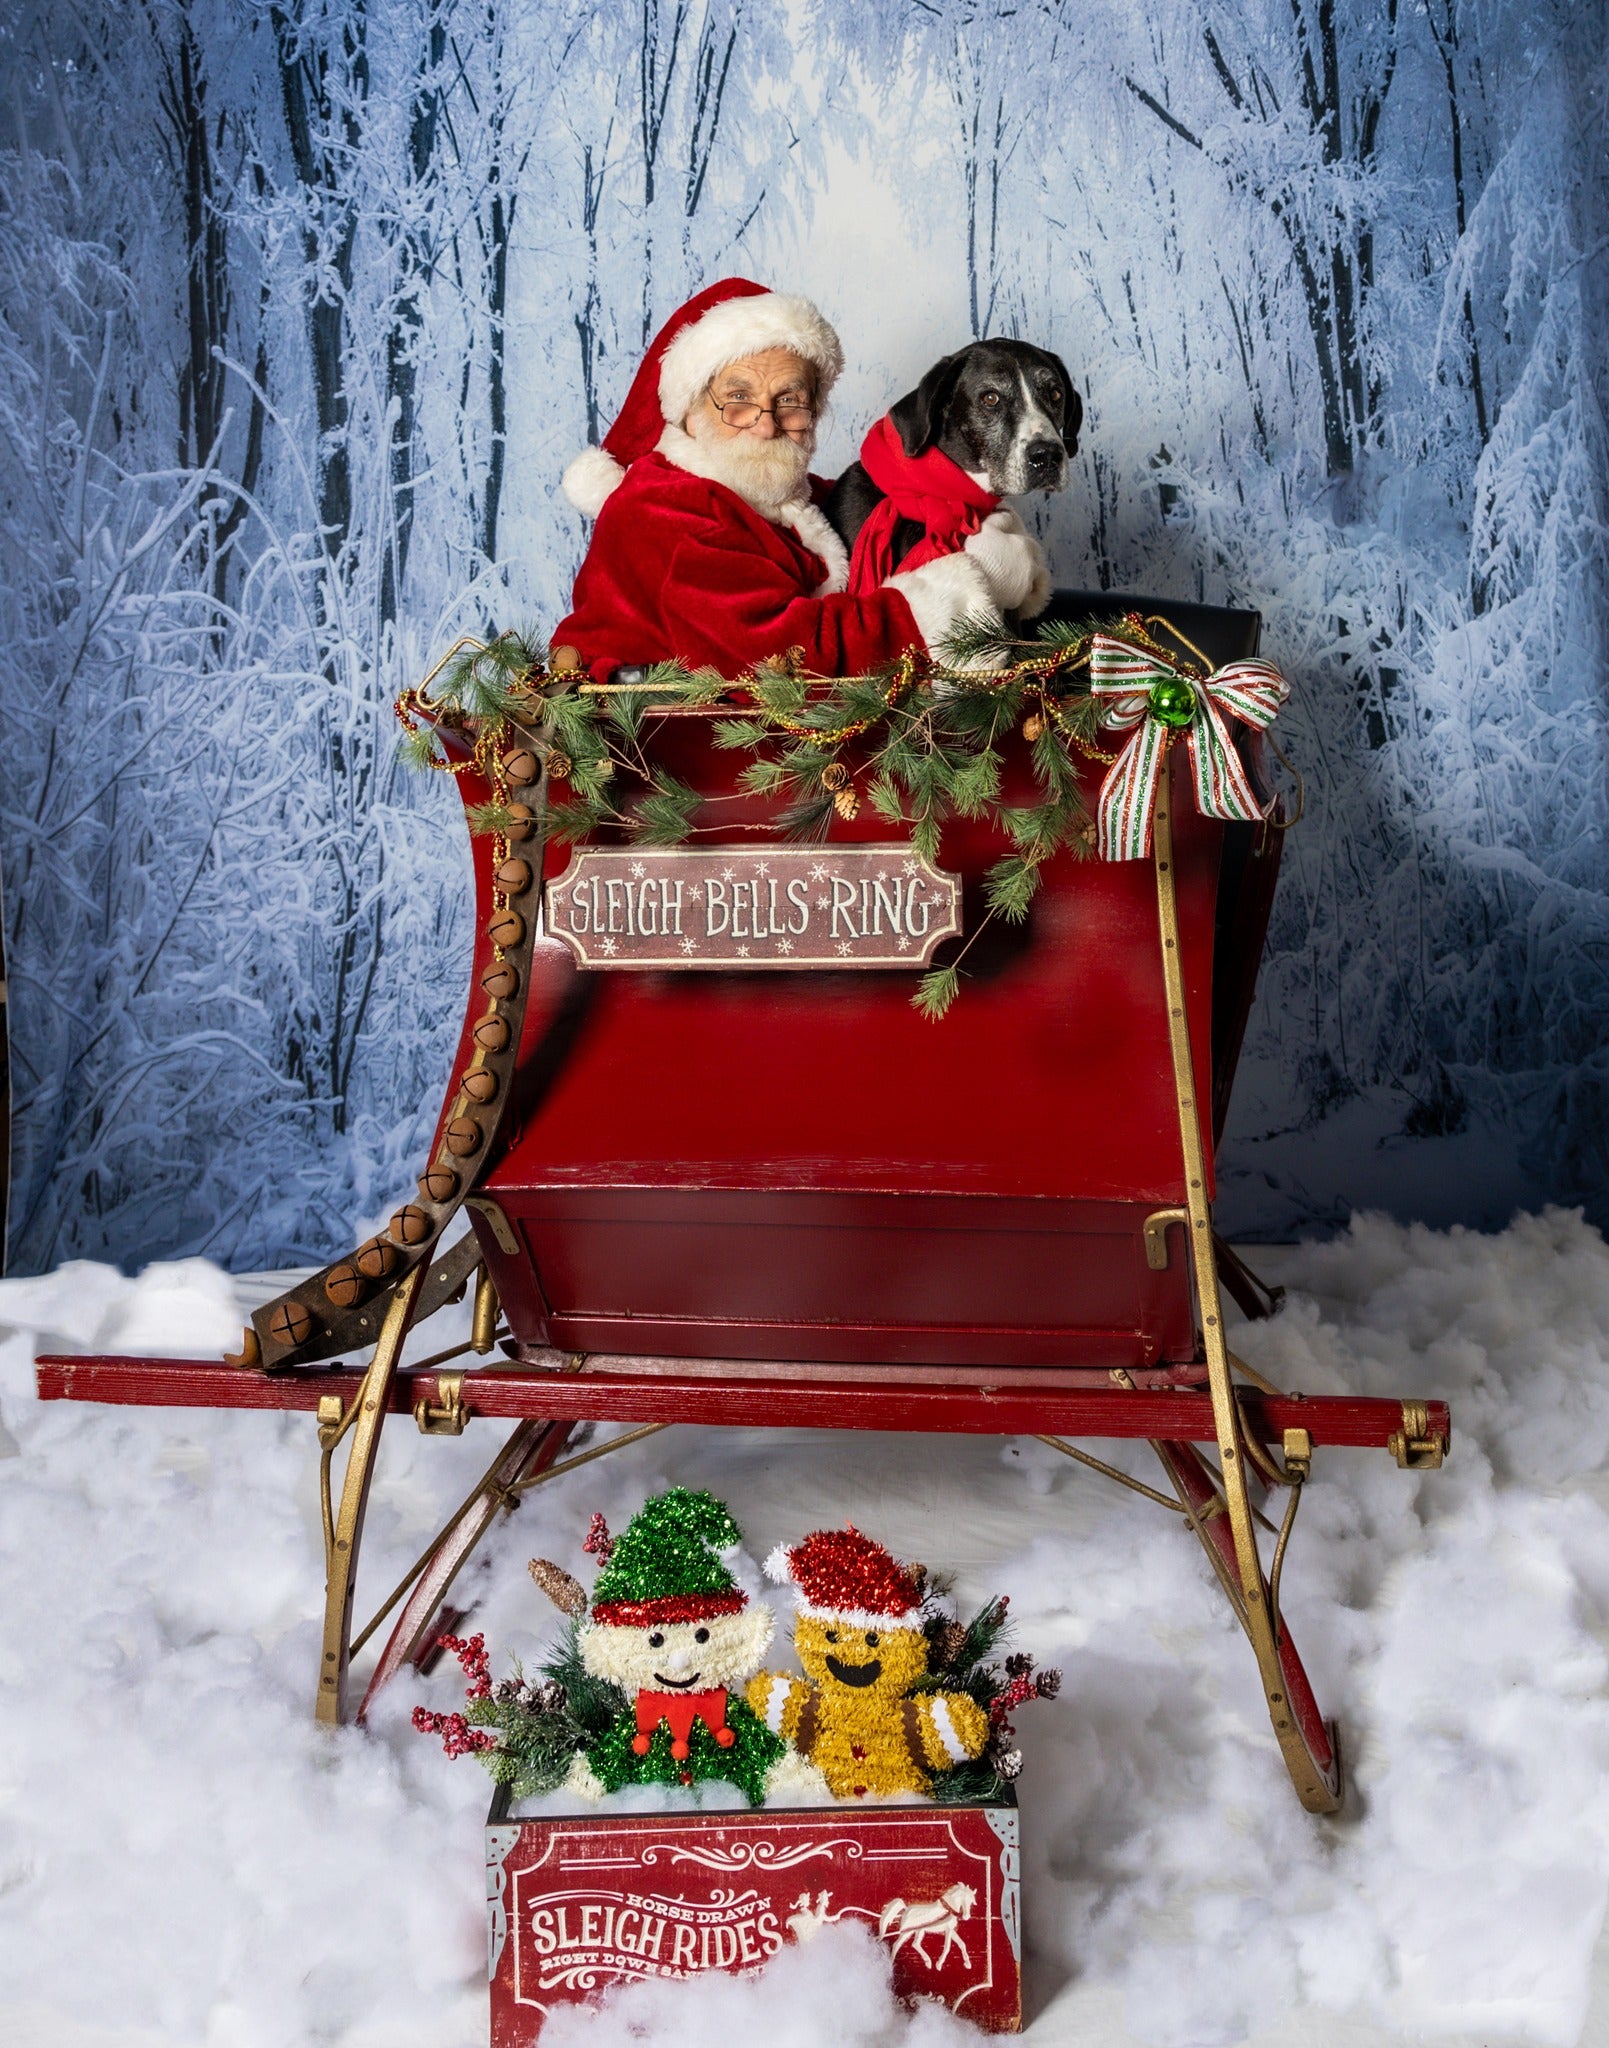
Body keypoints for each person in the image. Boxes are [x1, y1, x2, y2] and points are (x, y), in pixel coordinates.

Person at [554, 277, 1046, 681]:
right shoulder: (662, 507)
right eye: (738, 399)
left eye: (789, 400)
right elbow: (778, 656)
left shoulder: (788, 504)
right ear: (689, 412)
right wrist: (951, 598)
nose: (766, 424)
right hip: (657, 754)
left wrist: (980, 531)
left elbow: (883, 513)